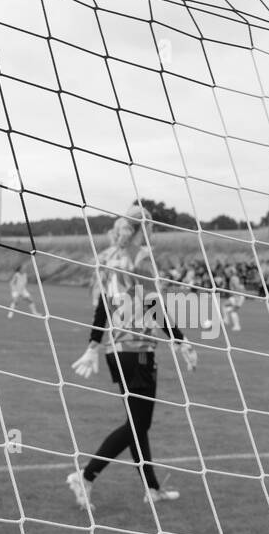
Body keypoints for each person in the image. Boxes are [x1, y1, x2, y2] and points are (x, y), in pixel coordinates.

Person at [67, 208, 198, 510]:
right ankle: (85, 477)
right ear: (145, 227)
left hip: (116, 351)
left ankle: (152, 488)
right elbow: (153, 305)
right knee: (138, 424)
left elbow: (102, 305)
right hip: (138, 350)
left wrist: (93, 345)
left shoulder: (109, 257)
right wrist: (180, 340)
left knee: (138, 422)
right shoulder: (141, 257)